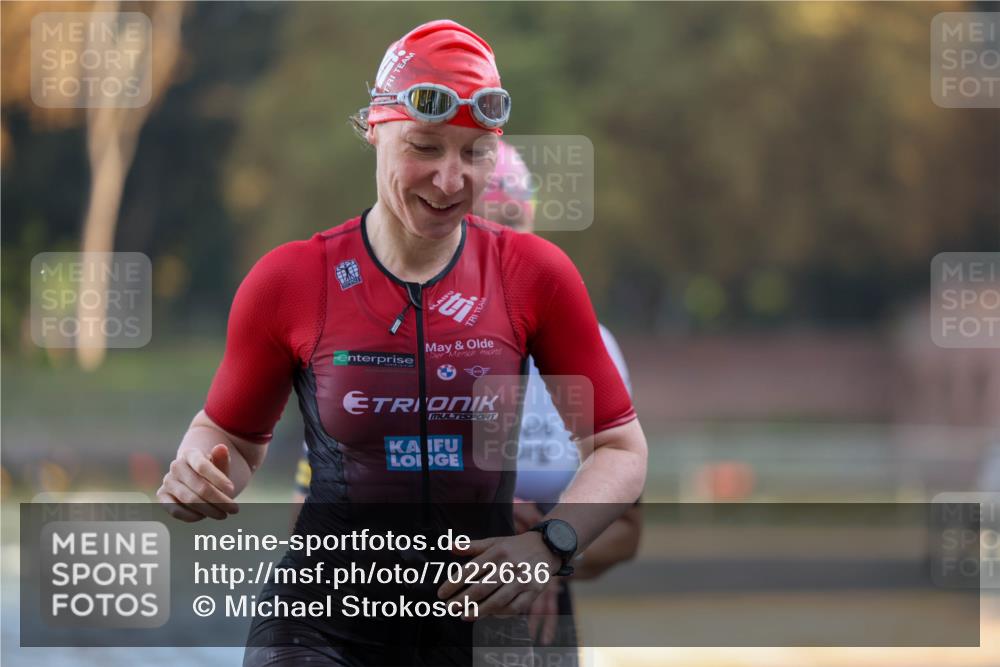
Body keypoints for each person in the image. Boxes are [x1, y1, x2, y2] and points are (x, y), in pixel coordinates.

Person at [157, 19, 647, 666]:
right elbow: (230, 440)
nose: (450, 181)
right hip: (322, 620)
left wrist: (550, 545)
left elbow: (619, 446)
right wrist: (198, 465)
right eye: (425, 146)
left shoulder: (537, 275)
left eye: (475, 153)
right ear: (374, 129)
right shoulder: (291, 280)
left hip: (478, 620)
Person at [290, 141, 643, 660]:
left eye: (519, 230)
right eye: (490, 233)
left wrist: (549, 547)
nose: (509, 256)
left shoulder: (591, 347)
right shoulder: (381, 348)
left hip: (534, 636)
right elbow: (311, 528)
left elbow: (627, 533)